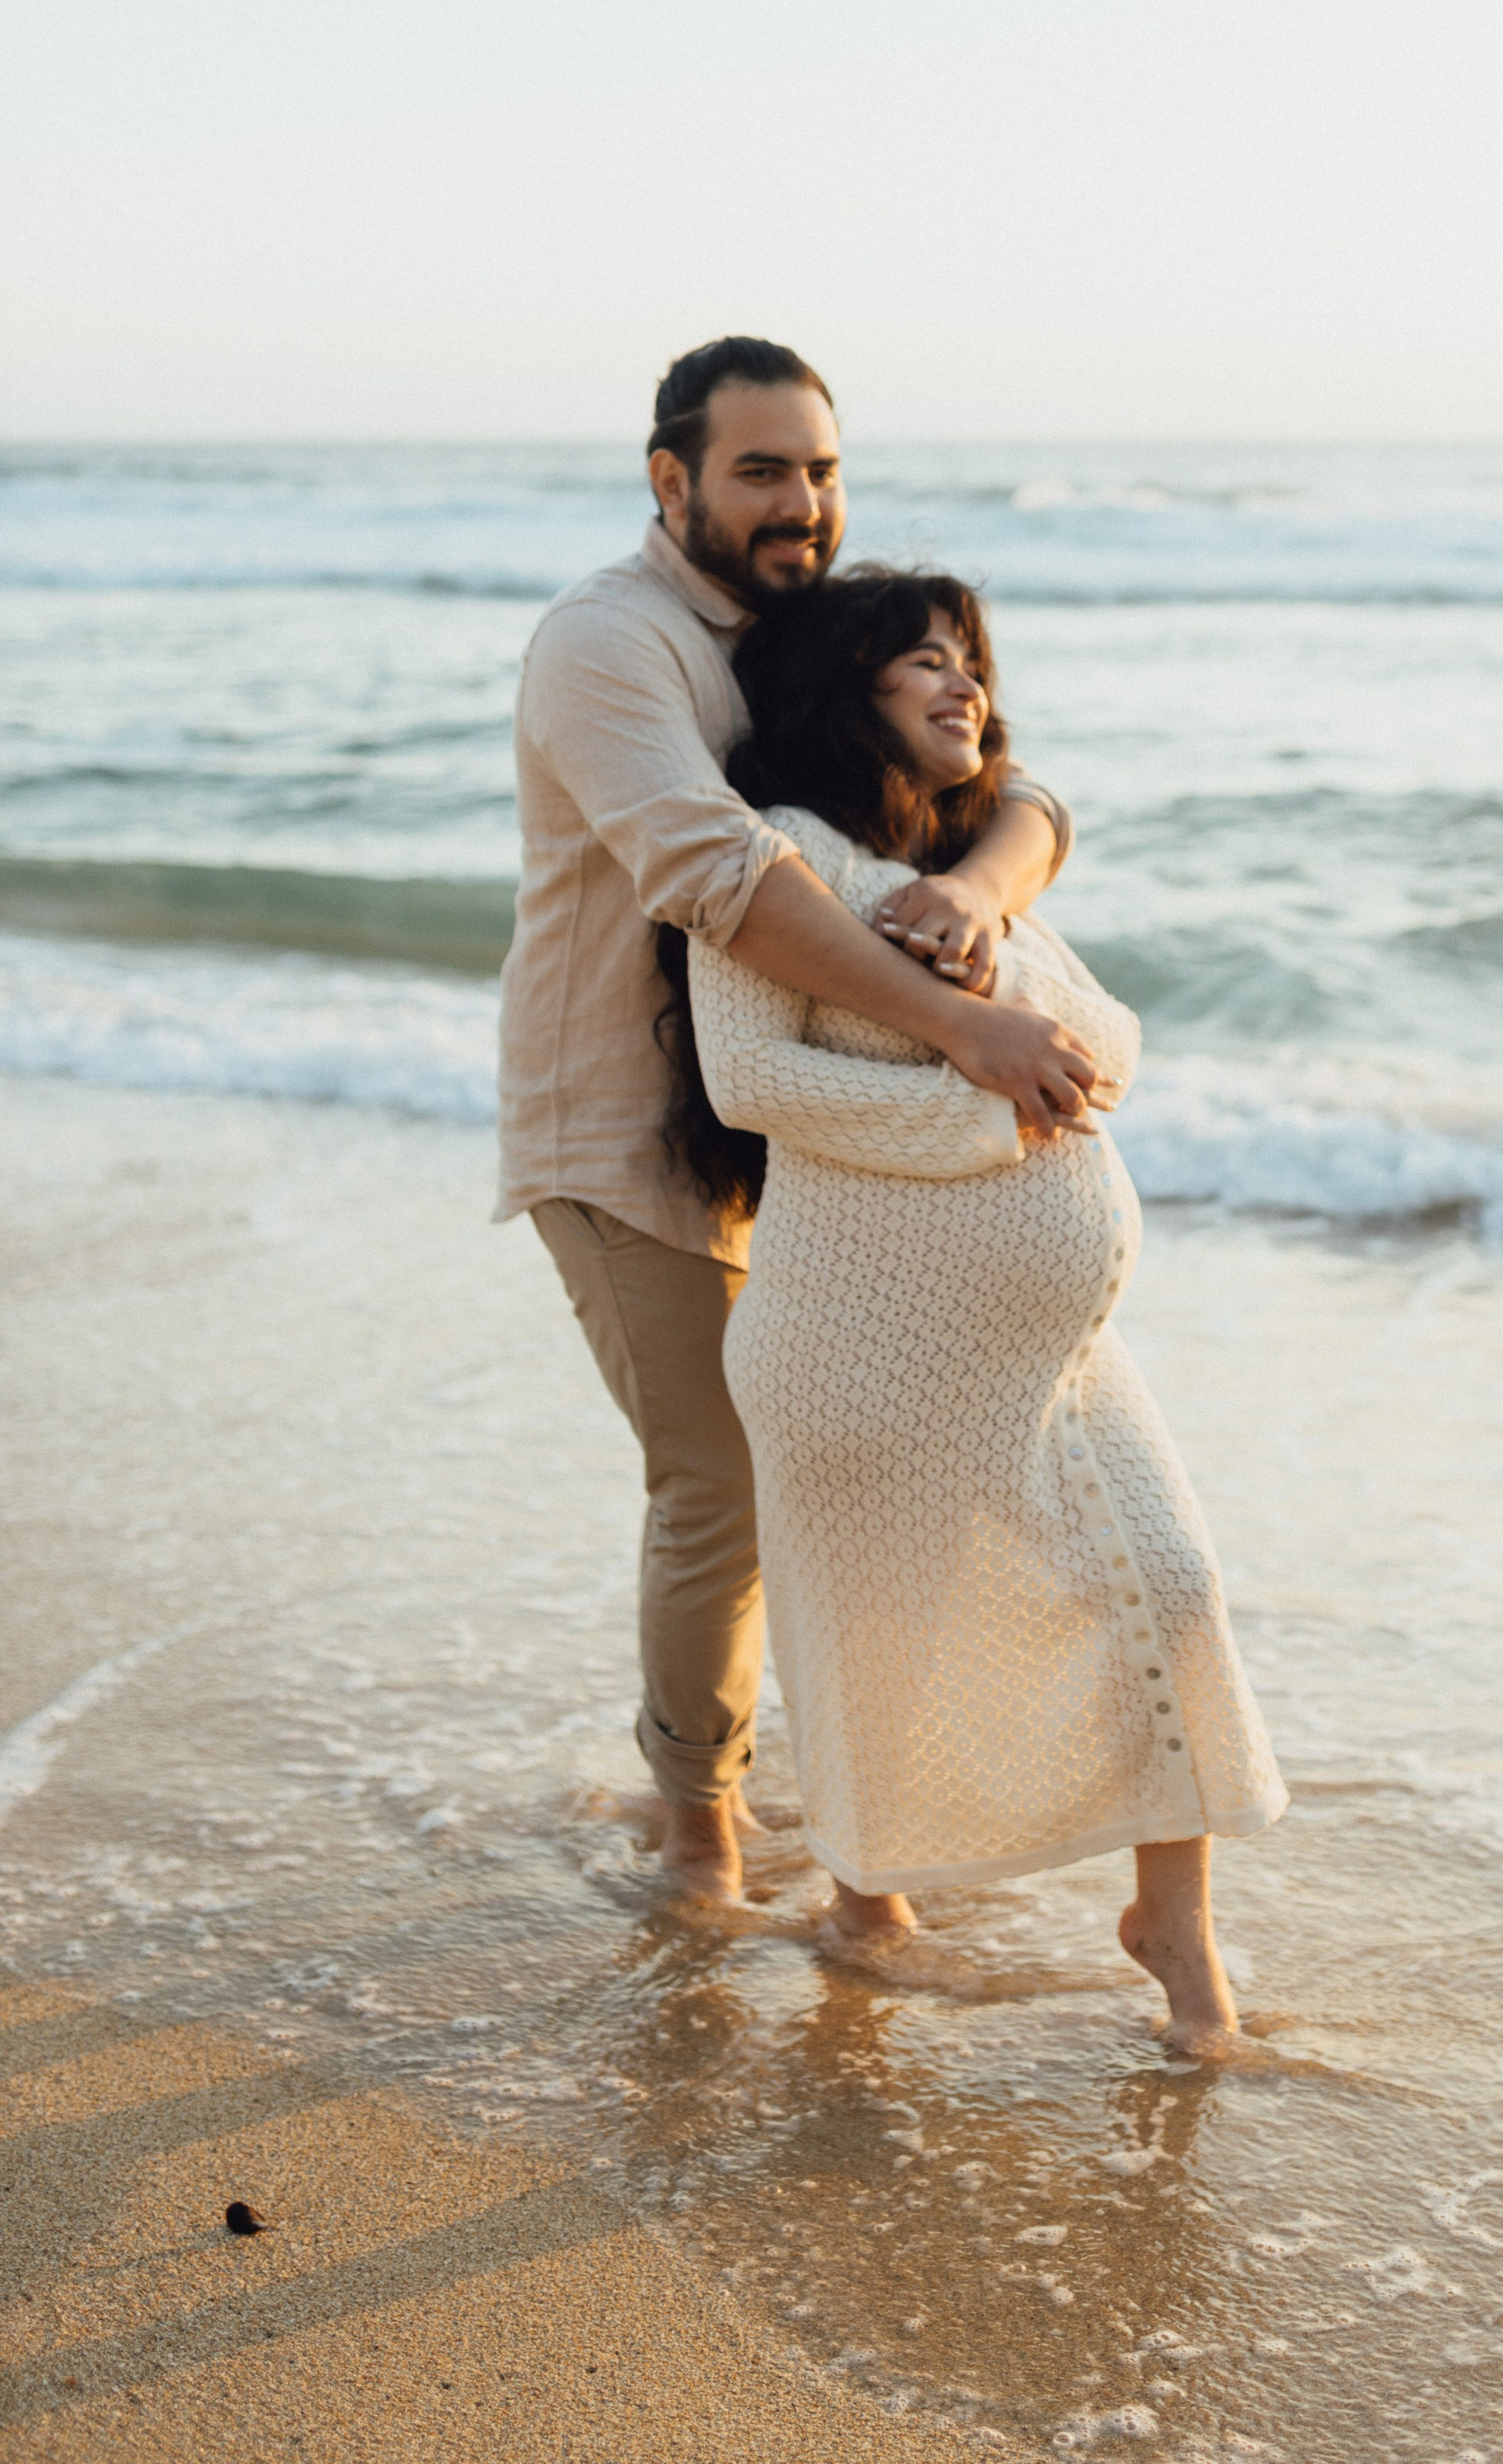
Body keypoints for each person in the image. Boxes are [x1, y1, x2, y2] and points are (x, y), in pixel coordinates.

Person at [497, 340, 1097, 1902]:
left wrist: (968, 896)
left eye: (820, 471)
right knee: (725, 1479)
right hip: (624, 1127)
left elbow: (1022, 793)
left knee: (831, 1467)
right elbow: (723, 878)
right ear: (671, 479)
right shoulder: (607, 645)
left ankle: (836, 1812)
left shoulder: (816, 634)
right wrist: (964, 1023)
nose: (801, 504)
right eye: (762, 471)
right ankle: (699, 1826)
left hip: (804, 1134)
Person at [673, 567, 1287, 2052]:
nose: (969, 692)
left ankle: (1175, 1932)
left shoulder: (971, 874)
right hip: (857, 1344)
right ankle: (864, 1899)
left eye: (974, 667)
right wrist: (981, 1117)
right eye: (926, 667)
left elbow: (1113, 1045)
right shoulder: (775, 866)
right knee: (874, 1638)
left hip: (1058, 1353)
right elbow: (750, 1082)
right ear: (846, 695)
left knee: (1173, 1590)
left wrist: (1002, 960)